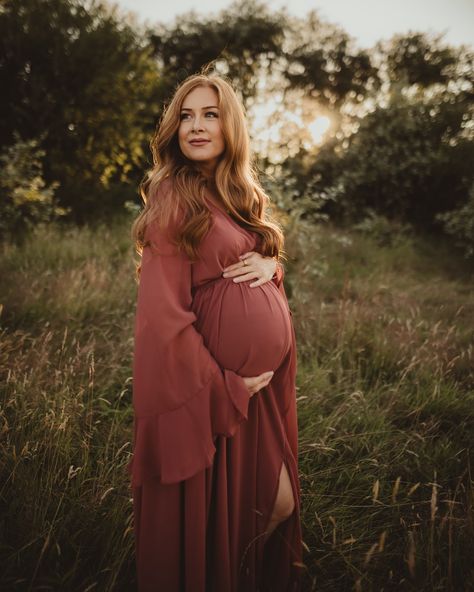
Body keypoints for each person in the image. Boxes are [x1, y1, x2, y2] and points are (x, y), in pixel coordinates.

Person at [128, 71, 304, 592]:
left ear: (231, 126)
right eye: (186, 115)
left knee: (279, 502)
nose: (196, 126)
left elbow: (243, 264)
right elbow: (163, 316)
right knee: (258, 506)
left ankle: (233, 575)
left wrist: (270, 268)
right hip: (212, 389)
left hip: (257, 392)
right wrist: (221, 387)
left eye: (210, 114)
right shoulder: (172, 196)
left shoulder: (232, 193)